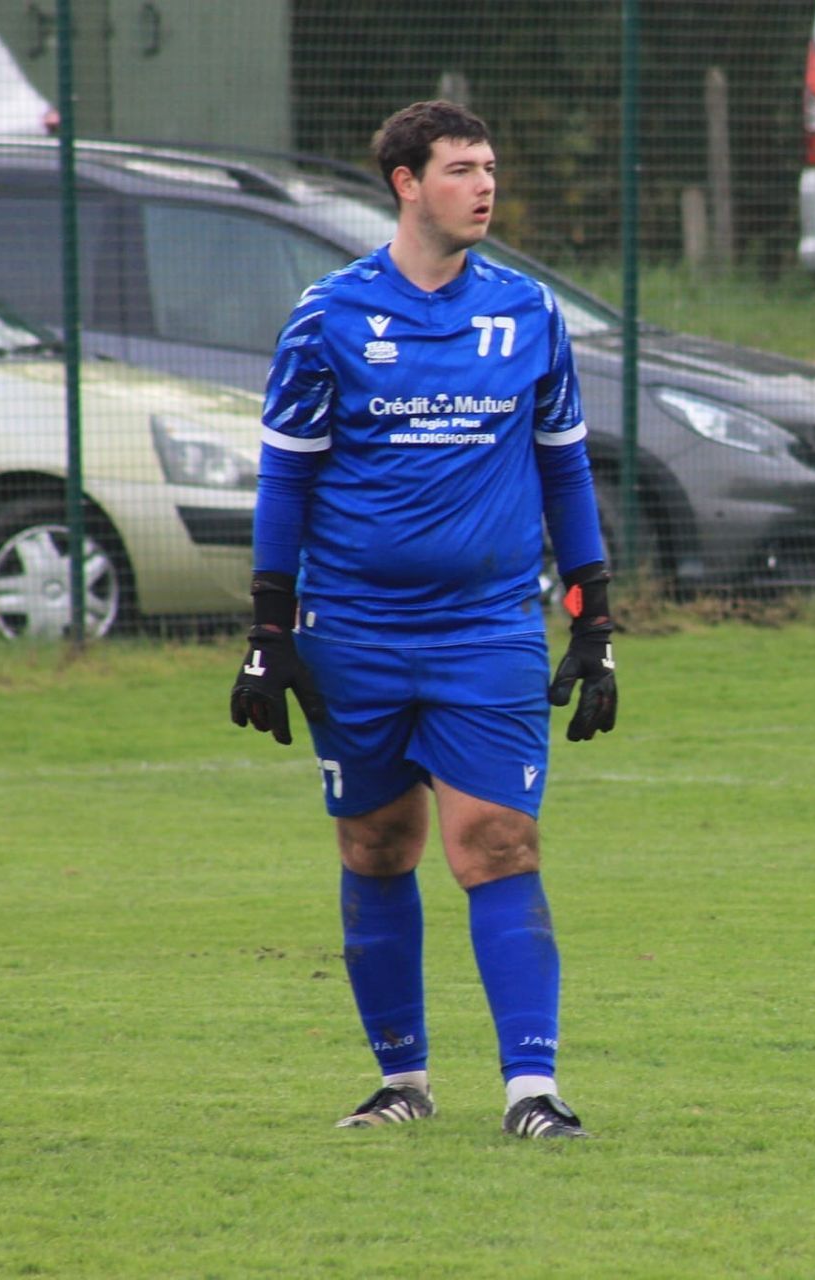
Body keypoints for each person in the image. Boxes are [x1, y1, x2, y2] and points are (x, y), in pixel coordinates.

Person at [228, 100, 616, 1140]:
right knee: (375, 843)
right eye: (461, 168)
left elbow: (564, 464)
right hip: (350, 627)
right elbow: (286, 479)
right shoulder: (328, 316)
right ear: (406, 182)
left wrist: (593, 616)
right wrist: (271, 632)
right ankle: (403, 1079)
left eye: (490, 166)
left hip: (486, 627)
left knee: (496, 840)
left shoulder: (530, 313)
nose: (484, 185)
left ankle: (533, 1090)